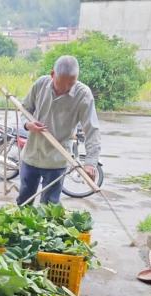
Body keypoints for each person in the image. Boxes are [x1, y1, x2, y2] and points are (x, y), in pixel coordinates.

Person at [17, 55, 102, 205]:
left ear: (77, 78)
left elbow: (92, 130)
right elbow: (24, 109)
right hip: (31, 155)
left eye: (71, 84)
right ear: (52, 75)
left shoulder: (83, 95)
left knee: (49, 208)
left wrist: (90, 163)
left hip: (57, 161)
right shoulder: (41, 84)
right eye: (60, 84)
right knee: (24, 200)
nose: (65, 89)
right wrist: (27, 124)